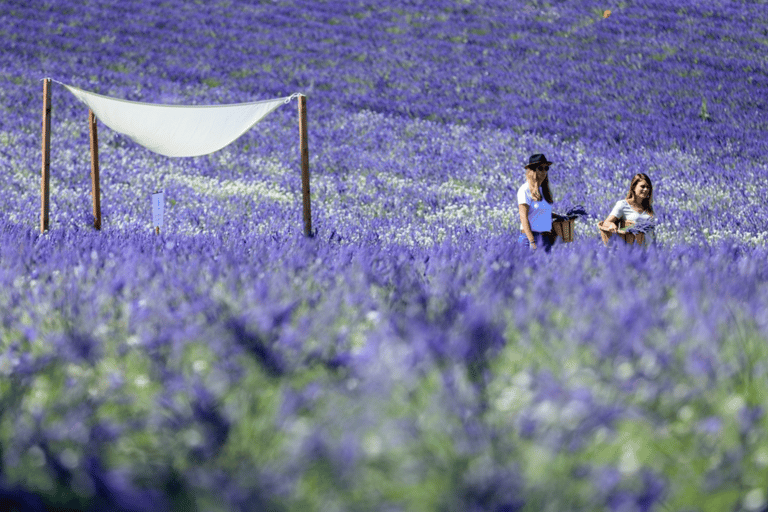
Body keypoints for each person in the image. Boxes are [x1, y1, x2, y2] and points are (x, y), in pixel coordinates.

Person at [599, 173, 655, 245]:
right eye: (642, 186)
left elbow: (652, 233)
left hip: (648, 252)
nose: (646, 189)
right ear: (634, 187)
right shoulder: (623, 205)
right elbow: (606, 223)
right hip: (631, 251)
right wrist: (612, 225)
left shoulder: (649, 208)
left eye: (648, 187)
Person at [518, 154, 555, 252]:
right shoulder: (524, 190)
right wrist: (532, 241)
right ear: (532, 171)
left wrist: (559, 216)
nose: (544, 172)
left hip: (545, 239)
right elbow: (523, 217)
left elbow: (540, 212)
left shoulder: (543, 190)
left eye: (546, 168)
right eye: (540, 168)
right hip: (530, 238)